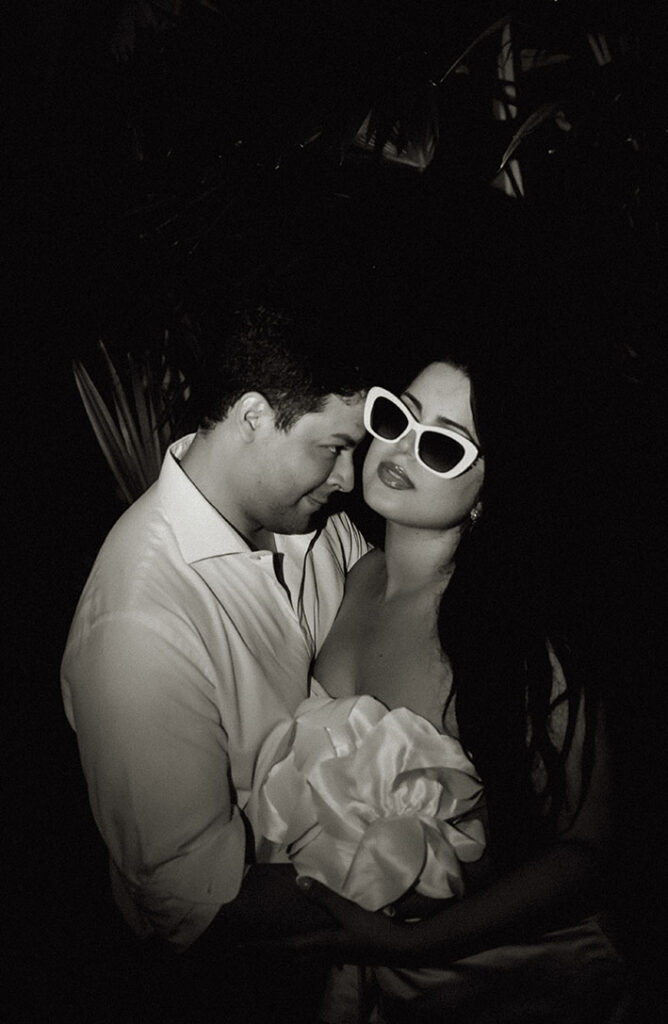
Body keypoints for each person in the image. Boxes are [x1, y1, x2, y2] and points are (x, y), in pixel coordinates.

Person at [246, 346, 628, 1024]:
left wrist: (409, 942)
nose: (402, 448)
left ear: (490, 494)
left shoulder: (517, 641)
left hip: (500, 985)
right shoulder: (348, 574)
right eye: (396, 417)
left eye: (444, 448)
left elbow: (586, 848)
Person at [60, 306, 370, 1021]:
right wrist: (437, 890)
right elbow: (193, 897)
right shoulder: (137, 625)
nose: (350, 478)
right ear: (255, 415)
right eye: (333, 448)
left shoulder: (313, 519)